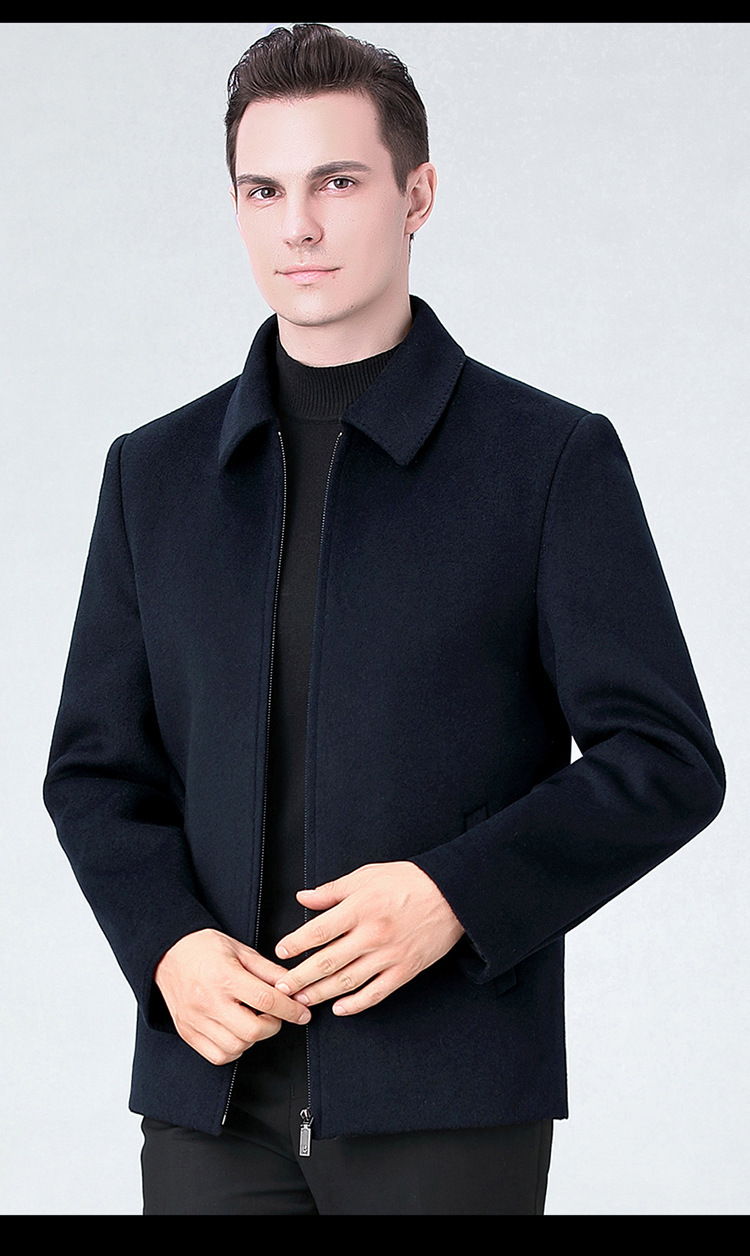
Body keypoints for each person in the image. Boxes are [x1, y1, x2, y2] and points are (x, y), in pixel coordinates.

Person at [43, 23, 725, 1216]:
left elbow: (667, 759)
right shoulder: (153, 476)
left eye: (337, 182)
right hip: (209, 1101)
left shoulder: (546, 461)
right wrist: (165, 944)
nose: (298, 226)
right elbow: (96, 770)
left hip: (447, 1101)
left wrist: (456, 893)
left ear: (417, 196)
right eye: (263, 190)